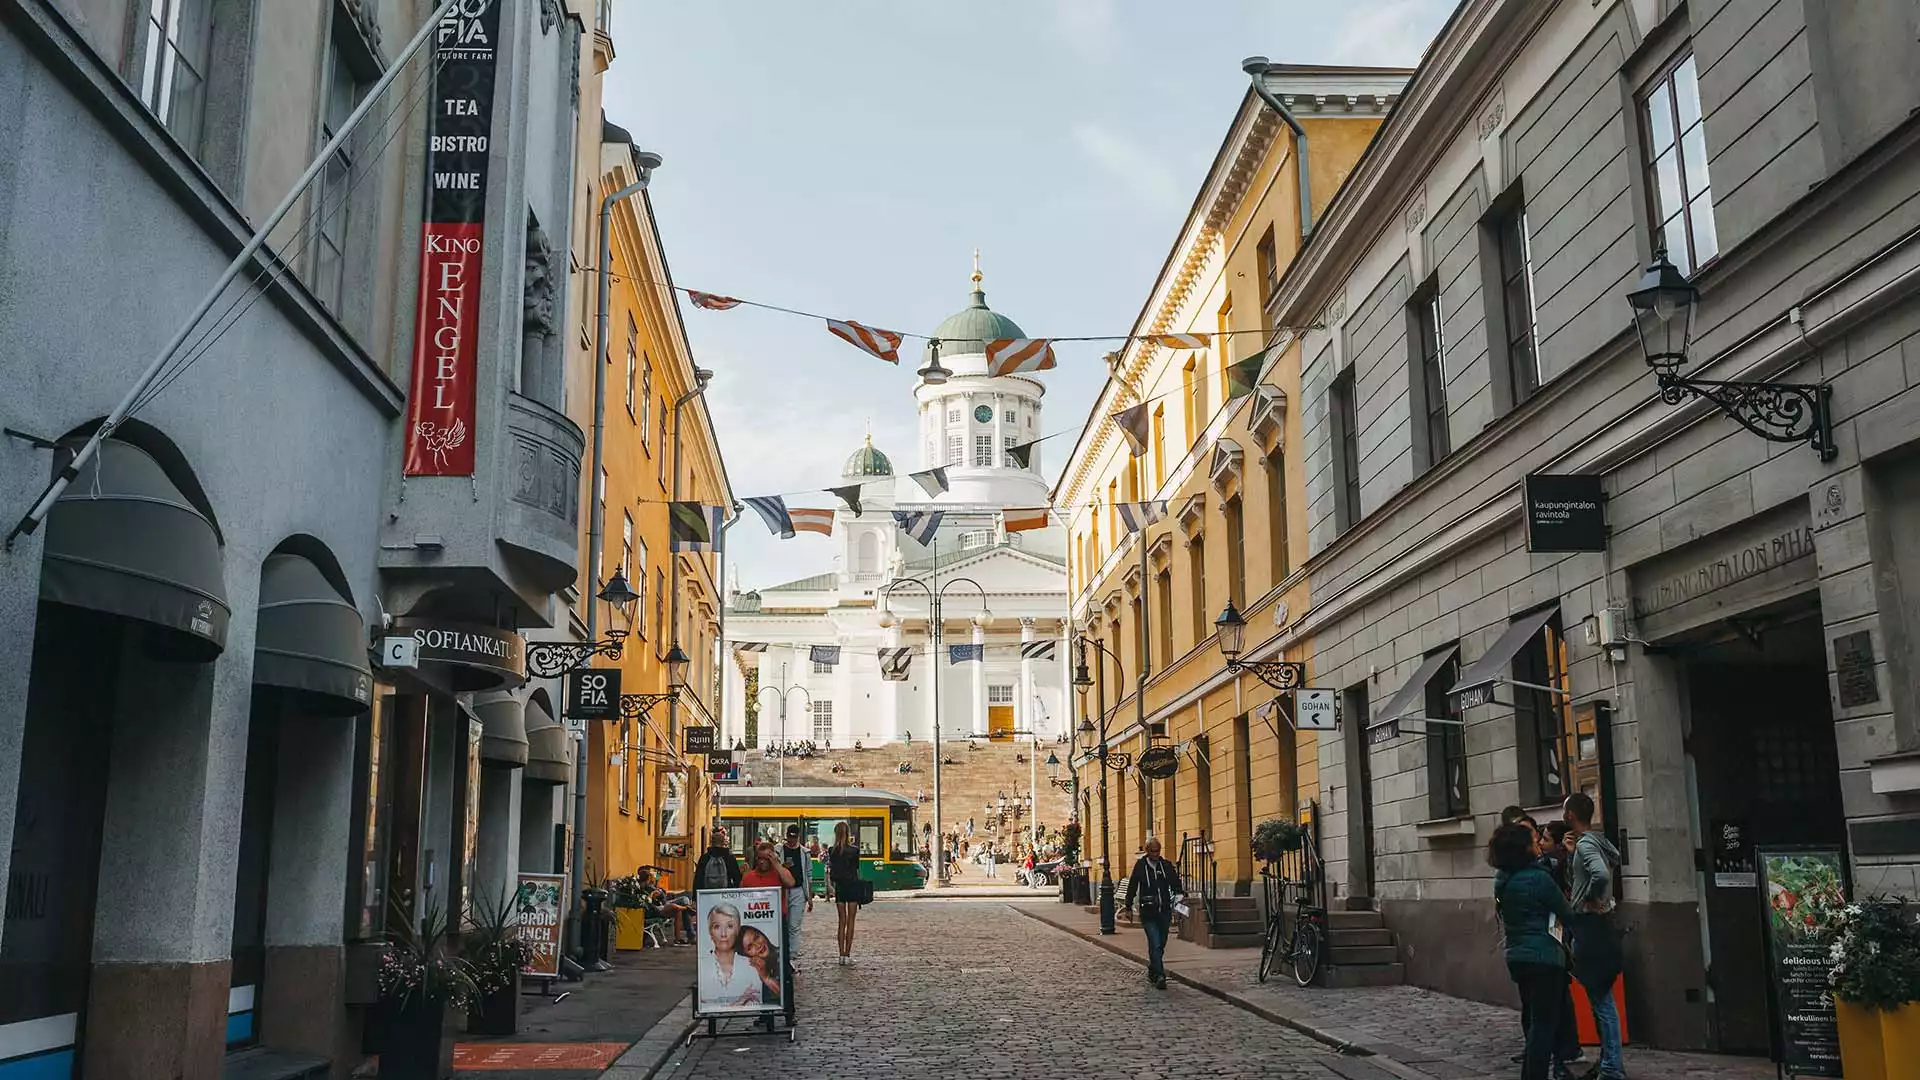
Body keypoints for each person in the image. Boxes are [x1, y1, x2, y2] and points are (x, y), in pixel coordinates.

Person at [1491, 822, 1575, 1080]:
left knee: (1535, 1020)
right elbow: (1566, 913)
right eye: (1533, 840)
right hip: (1545, 957)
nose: (1538, 843)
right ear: (1523, 848)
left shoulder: (1502, 879)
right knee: (1544, 1025)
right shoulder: (1538, 879)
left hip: (1518, 956)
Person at [1565, 793, 1625, 1080]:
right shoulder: (1597, 840)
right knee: (1600, 998)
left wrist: (1588, 898)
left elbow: (1600, 873)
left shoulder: (1587, 844)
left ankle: (1612, 1067)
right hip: (1601, 926)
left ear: (1569, 816)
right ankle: (1607, 1061)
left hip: (1590, 926)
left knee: (1602, 1001)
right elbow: (1614, 859)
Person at [740, 841, 798, 1020]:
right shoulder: (749, 877)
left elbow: (790, 882)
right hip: (757, 928)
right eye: (760, 859)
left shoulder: (779, 874)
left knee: (783, 968)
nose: (763, 862)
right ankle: (766, 1012)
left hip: (777, 924)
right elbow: (741, 898)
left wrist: (776, 864)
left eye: (767, 858)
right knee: (762, 969)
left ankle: (788, 1011)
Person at [1121, 836, 1180, 989]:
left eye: (1158, 851)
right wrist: (1128, 907)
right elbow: (1133, 886)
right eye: (1153, 851)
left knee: (1161, 943)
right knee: (1155, 944)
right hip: (1148, 913)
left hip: (1164, 911)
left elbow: (1175, 883)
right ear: (1147, 851)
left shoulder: (1165, 865)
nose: (1156, 854)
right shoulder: (1141, 866)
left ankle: (1153, 969)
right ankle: (1160, 975)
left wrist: (1179, 895)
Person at [703, 902, 763, 1007]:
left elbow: (756, 1001)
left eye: (730, 926)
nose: (723, 934)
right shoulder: (702, 965)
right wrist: (740, 1002)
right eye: (717, 927)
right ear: (710, 932)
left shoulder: (750, 966)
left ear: (737, 931)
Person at [825, 821, 865, 965]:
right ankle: (847, 954)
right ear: (848, 833)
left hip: (840, 887)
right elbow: (856, 869)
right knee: (851, 921)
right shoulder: (854, 850)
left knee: (841, 921)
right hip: (852, 886)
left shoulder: (832, 850)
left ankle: (840, 954)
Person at [779, 825, 816, 957]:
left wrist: (809, 896)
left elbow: (808, 874)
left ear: (798, 837)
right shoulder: (779, 850)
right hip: (782, 891)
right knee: (782, 923)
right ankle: (782, 952)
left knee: (794, 925)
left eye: (794, 838)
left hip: (798, 890)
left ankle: (791, 955)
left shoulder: (805, 853)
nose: (792, 840)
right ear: (786, 836)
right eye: (790, 837)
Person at [738, 925, 783, 1006]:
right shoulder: (752, 969)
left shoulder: (781, 957)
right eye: (750, 947)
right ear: (746, 954)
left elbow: (785, 996)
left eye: (756, 937)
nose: (758, 945)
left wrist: (766, 978)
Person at [693, 828, 741, 897]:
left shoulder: (705, 858)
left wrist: (695, 898)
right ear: (723, 842)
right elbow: (737, 878)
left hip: (707, 895)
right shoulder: (730, 858)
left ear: (711, 842)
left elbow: (698, 880)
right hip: (725, 895)